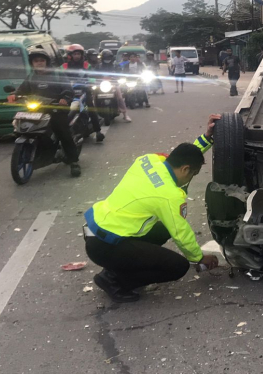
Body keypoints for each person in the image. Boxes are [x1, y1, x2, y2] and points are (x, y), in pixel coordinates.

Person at [83, 114, 222, 302]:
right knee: (178, 267)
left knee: (163, 228)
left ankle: (116, 267)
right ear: (185, 169)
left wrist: (206, 138)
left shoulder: (150, 160)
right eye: (193, 174)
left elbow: (181, 157)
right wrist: (199, 258)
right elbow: (181, 232)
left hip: (98, 232)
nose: (191, 178)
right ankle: (115, 280)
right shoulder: (168, 195)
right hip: (106, 246)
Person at [8, 50, 82, 177]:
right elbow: (22, 90)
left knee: (63, 133)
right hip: (36, 110)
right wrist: (14, 95)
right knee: (23, 127)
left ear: (46, 62)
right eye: (36, 61)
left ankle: (74, 162)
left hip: (56, 110)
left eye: (42, 60)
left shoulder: (57, 75)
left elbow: (68, 90)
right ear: (32, 63)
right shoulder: (31, 77)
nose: (39, 63)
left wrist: (65, 98)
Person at [62, 44, 105, 142]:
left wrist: (91, 82)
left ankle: (98, 131)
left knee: (91, 108)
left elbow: (92, 76)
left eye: (78, 54)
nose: (77, 56)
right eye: (75, 54)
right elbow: (57, 76)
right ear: (70, 55)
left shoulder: (86, 65)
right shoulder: (63, 66)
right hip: (68, 92)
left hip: (84, 91)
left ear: (82, 55)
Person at [98, 49, 131, 122]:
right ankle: (95, 113)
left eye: (108, 57)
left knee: (119, 97)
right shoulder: (99, 66)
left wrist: (120, 77)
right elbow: (94, 75)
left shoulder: (116, 65)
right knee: (94, 95)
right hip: (101, 85)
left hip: (113, 84)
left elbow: (120, 73)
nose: (107, 59)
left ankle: (125, 115)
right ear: (102, 58)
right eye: (106, 58)